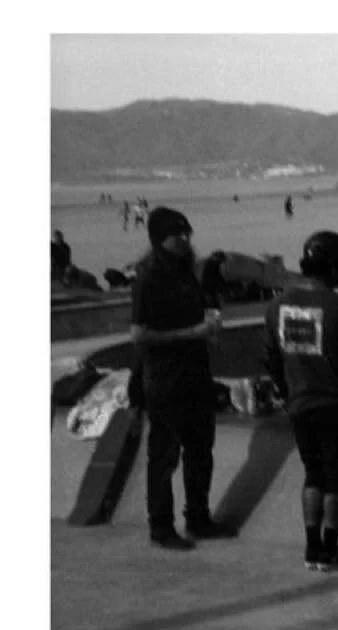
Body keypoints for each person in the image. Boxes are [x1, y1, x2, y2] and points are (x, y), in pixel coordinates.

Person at [262, 230, 338, 572]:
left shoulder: (277, 306)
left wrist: (286, 394)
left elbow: (270, 359)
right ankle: (329, 548)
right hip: (337, 405)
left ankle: (312, 547)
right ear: (332, 267)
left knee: (314, 474)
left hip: (300, 406)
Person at [130, 207, 236, 550]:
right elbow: (140, 334)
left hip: (196, 374)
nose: (186, 240)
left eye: (188, 234)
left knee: (200, 450)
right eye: (179, 236)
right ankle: (161, 526)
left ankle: (198, 518)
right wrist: (192, 332)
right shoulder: (149, 277)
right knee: (164, 456)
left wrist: (208, 330)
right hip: (164, 379)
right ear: (161, 239)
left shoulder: (186, 272)